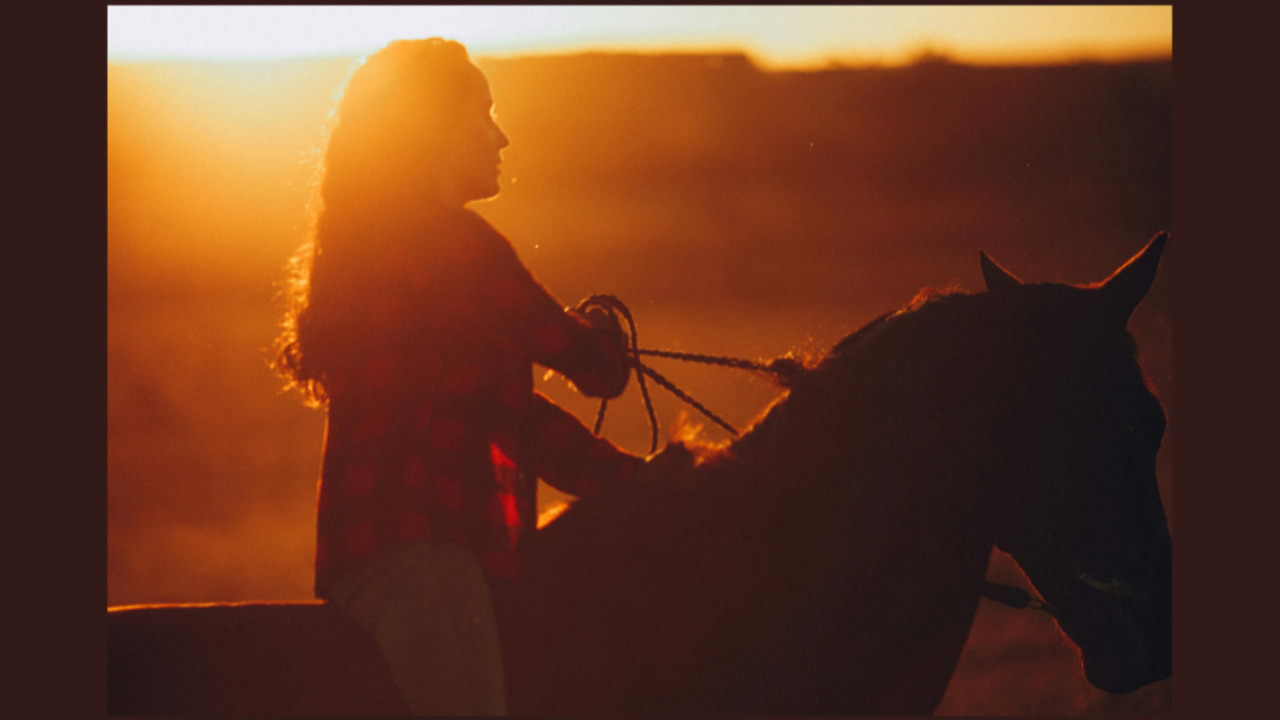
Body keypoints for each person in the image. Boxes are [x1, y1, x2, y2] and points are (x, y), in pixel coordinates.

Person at [274, 38, 691, 715]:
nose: (500, 136)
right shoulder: (455, 246)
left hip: (377, 552)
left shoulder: (379, 245)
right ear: (435, 128)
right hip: (423, 554)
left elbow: (510, 417)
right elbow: (592, 366)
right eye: (483, 112)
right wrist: (606, 339)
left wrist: (626, 478)